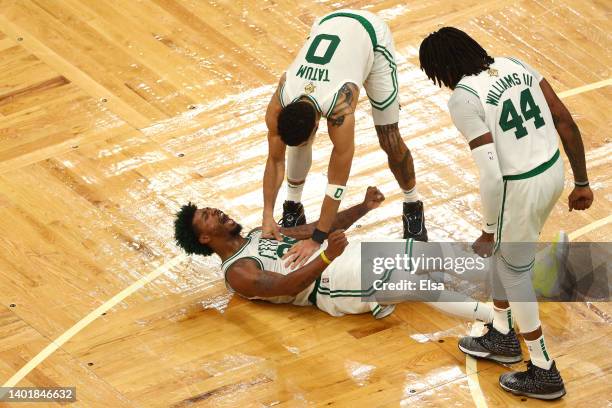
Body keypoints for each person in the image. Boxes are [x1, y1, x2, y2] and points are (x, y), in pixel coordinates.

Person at [419, 27, 594, 400]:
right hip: (552, 171)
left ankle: (544, 369)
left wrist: (487, 228)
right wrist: (582, 181)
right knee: (507, 259)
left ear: (441, 70)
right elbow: (565, 120)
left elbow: (492, 174)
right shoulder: (515, 63)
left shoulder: (463, 99)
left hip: (519, 185)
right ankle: (501, 333)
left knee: (513, 272)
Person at [174, 187, 494, 323]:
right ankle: (497, 320)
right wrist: (327, 258)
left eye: (209, 209)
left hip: (341, 256)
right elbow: (285, 287)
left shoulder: (261, 232)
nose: (215, 211)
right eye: (207, 216)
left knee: (426, 253)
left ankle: (510, 277)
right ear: (204, 237)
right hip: (328, 283)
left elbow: (318, 230)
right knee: (407, 281)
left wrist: (363, 208)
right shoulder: (236, 272)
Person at [262, 10, 427, 271]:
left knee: (389, 138)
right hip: (327, 22)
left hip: (371, 37)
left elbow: (337, 181)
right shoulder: (281, 97)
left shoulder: (340, 108)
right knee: (296, 144)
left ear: (320, 125)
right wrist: (267, 214)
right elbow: (275, 158)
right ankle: (292, 205)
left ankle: (413, 204)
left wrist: (317, 239)